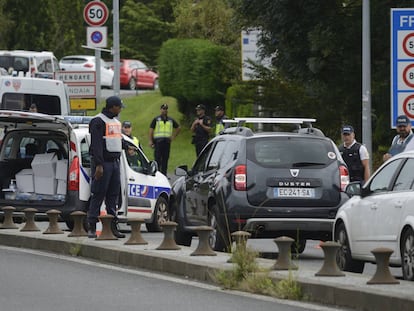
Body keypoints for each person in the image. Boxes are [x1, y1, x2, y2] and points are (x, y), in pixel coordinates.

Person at [87, 95, 126, 239]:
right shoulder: (98, 121)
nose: (120, 110)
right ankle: (91, 225)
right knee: (98, 194)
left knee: (113, 196)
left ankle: (112, 226)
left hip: (115, 162)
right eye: (119, 107)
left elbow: (118, 139)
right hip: (103, 163)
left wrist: (127, 146)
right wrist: (98, 165)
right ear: (112, 107)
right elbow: (96, 145)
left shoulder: (115, 122)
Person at [149, 103, 180, 175]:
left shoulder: (170, 120)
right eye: (163, 109)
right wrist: (150, 140)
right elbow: (151, 129)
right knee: (157, 159)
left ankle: (164, 174)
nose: (164, 111)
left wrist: (173, 136)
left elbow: (178, 128)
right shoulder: (156, 119)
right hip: (158, 142)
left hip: (167, 142)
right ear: (160, 110)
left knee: (165, 159)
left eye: (166, 109)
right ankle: (157, 173)